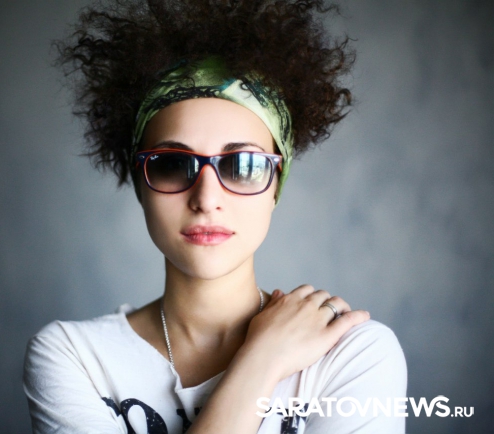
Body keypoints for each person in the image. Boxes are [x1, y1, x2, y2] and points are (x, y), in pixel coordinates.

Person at [23, 1, 407, 432]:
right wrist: (263, 360)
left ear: (276, 185)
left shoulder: (352, 354)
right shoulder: (73, 356)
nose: (206, 199)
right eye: (172, 164)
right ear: (139, 182)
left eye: (243, 165)